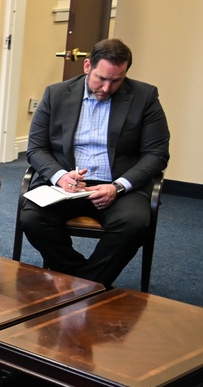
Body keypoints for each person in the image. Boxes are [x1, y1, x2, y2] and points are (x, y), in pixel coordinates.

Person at [22, 38, 170, 287]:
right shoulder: (56, 94)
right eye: (101, 78)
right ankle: (88, 284)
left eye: (116, 80)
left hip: (118, 185)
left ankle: (80, 286)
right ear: (87, 66)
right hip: (66, 185)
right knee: (33, 219)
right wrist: (60, 176)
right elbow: (36, 148)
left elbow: (157, 153)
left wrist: (119, 186)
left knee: (134, 224)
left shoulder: (145, 97)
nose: (107, 87)